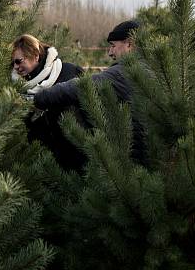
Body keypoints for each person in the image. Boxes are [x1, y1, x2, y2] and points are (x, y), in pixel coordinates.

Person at [32, 20, 147, 165]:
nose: (110, 52)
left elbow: (80, 87)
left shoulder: (123, 73)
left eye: (113, 46)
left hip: (128, 161)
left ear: (129, 44)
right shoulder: (160, 70)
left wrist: (37, 98)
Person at [11, 34, 84, 170]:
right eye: (13, 62)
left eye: (19, 61)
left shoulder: (69, 72)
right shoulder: (18, 88)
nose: (15, 67)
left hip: (78, 157)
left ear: (35, 55)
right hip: (45, 166)